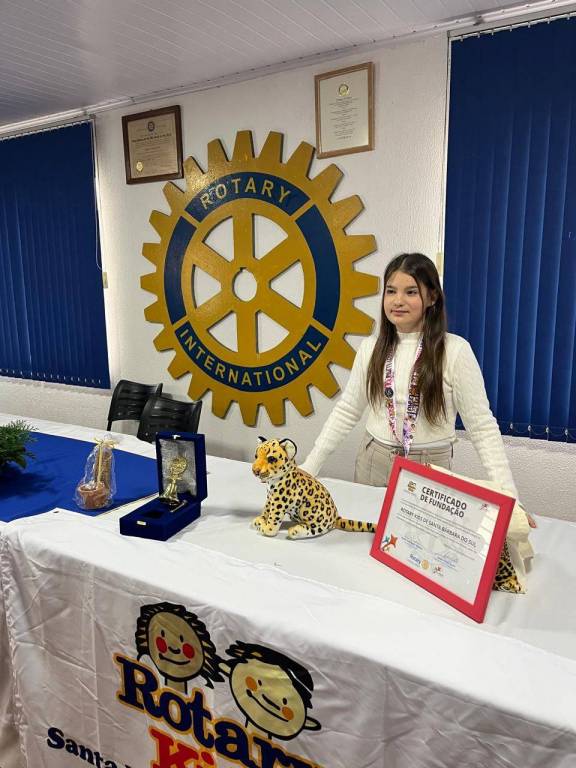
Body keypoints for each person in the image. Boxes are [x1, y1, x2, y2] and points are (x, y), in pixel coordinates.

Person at [301, 253, 533, 527]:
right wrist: (309, 468)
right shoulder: (371, 348)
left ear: (432, 297)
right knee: (365, 542)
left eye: (410, 292)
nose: (398, 301)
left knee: (419, 546)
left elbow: (482, 427)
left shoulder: (455, 351)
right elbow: (347, 411)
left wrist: (510, 498)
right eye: (391, 291)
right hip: (374, 461)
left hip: (429, 467)